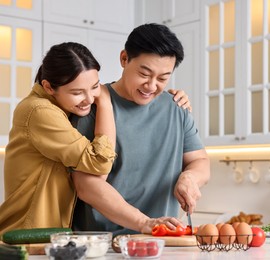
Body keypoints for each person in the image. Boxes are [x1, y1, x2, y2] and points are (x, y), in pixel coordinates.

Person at [0, 42, 191, 235]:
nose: (90, 99)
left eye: (94, 87)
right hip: (26, 235)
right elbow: (99, 163)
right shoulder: (40, 111)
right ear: (48, 87)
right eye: (77, 92)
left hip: (44, 234)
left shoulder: (62, 108)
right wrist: (106, 103)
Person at [71, 23, 210, 235]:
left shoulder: (177, 108)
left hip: (162, 241)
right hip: (102, 244)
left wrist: (190, 178)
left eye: (163, 78)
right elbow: (86, 185)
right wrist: (144, 222)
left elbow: (200, 162)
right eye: (145, 74)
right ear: (124, 59)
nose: (152, 86)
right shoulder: (93, 106)